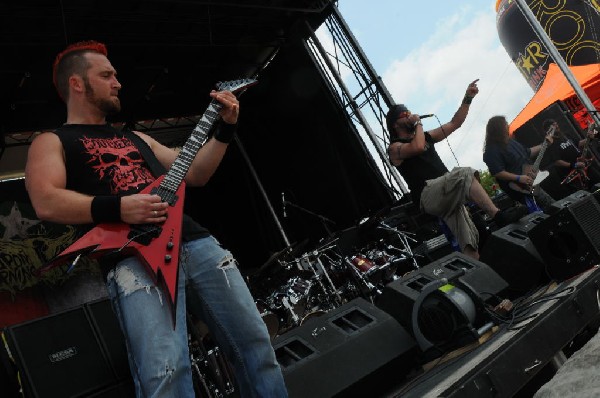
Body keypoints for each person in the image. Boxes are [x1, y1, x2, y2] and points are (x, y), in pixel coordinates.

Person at [24, 40, 287, 397]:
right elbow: (46, 201)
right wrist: (119, 208)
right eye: (107, 75)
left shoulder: (136, 137)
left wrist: (225, 128)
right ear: (77, 83)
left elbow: (195, 173)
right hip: (133, 260)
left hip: (197, 243)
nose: (118, 82)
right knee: (165, 370)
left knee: (256, 344)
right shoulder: (51, 141)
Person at [386, 80, 526, 261]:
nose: (410, 115)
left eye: (410, 112)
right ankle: (498, 215)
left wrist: (468, 98)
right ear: (395, 124)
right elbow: (418, 147)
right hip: (428, 194)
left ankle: (480, 275)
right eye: (405, 114)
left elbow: (455, 123)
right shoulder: (395, 147)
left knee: (468, 236)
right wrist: (418, 123)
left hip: (445, 192)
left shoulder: (425, 136)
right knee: (464, 172)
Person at [483, 115, 556, 212]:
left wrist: (544, 145)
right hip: (519, 188)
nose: (507, 126)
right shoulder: (491, 150)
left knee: (550, 205)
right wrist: (518, 178)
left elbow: (528, 153)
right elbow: (498, 172)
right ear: (498, 128)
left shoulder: (510, 142)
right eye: (505, 124)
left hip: (531, 182)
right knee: (549, 207)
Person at [540, 118, 599, 199]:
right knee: (587, 195)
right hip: (573, 173)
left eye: (556, 123)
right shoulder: (550, 143)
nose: (556, 126)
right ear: (548, 129)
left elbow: (579, 144)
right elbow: (557, 161)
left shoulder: (566, 135)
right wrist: (573, 165)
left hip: (584, 166)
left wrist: (591, 138)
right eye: (553, 125)